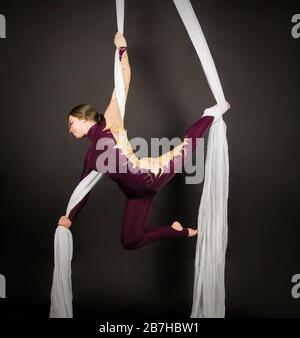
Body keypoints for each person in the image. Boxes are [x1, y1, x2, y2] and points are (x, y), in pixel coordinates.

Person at [58, 32, 230, 250]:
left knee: (187, 145)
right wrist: (70, 217)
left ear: (84, 119)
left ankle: (210, 114)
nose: (70, 129)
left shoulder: (110, 122)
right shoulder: (90, 158)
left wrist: (122, 50)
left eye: (72, 123)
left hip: (151, 175)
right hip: (136, 197)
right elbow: (82, 190)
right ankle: (177, 231)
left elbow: (123, 82)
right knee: (130, 241)